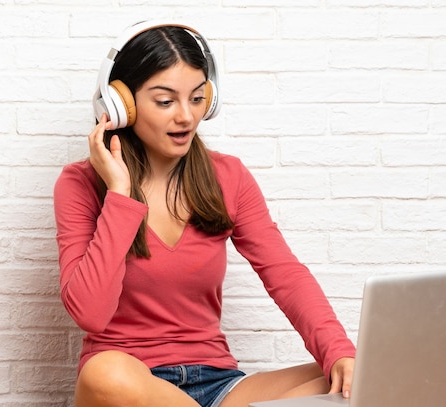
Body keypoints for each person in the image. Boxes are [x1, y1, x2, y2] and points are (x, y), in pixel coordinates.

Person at [53, 21, 356, 407]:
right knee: (104, 374)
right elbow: (90, 313)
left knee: (356, 371)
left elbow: (285, 274)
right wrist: (119, 194)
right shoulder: (79, 184)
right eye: (165, 102)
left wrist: (338, 349)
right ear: (120, 105)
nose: (186, 117)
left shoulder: (228, 176)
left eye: (197, 99)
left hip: (220, 384)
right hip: (131, 382)